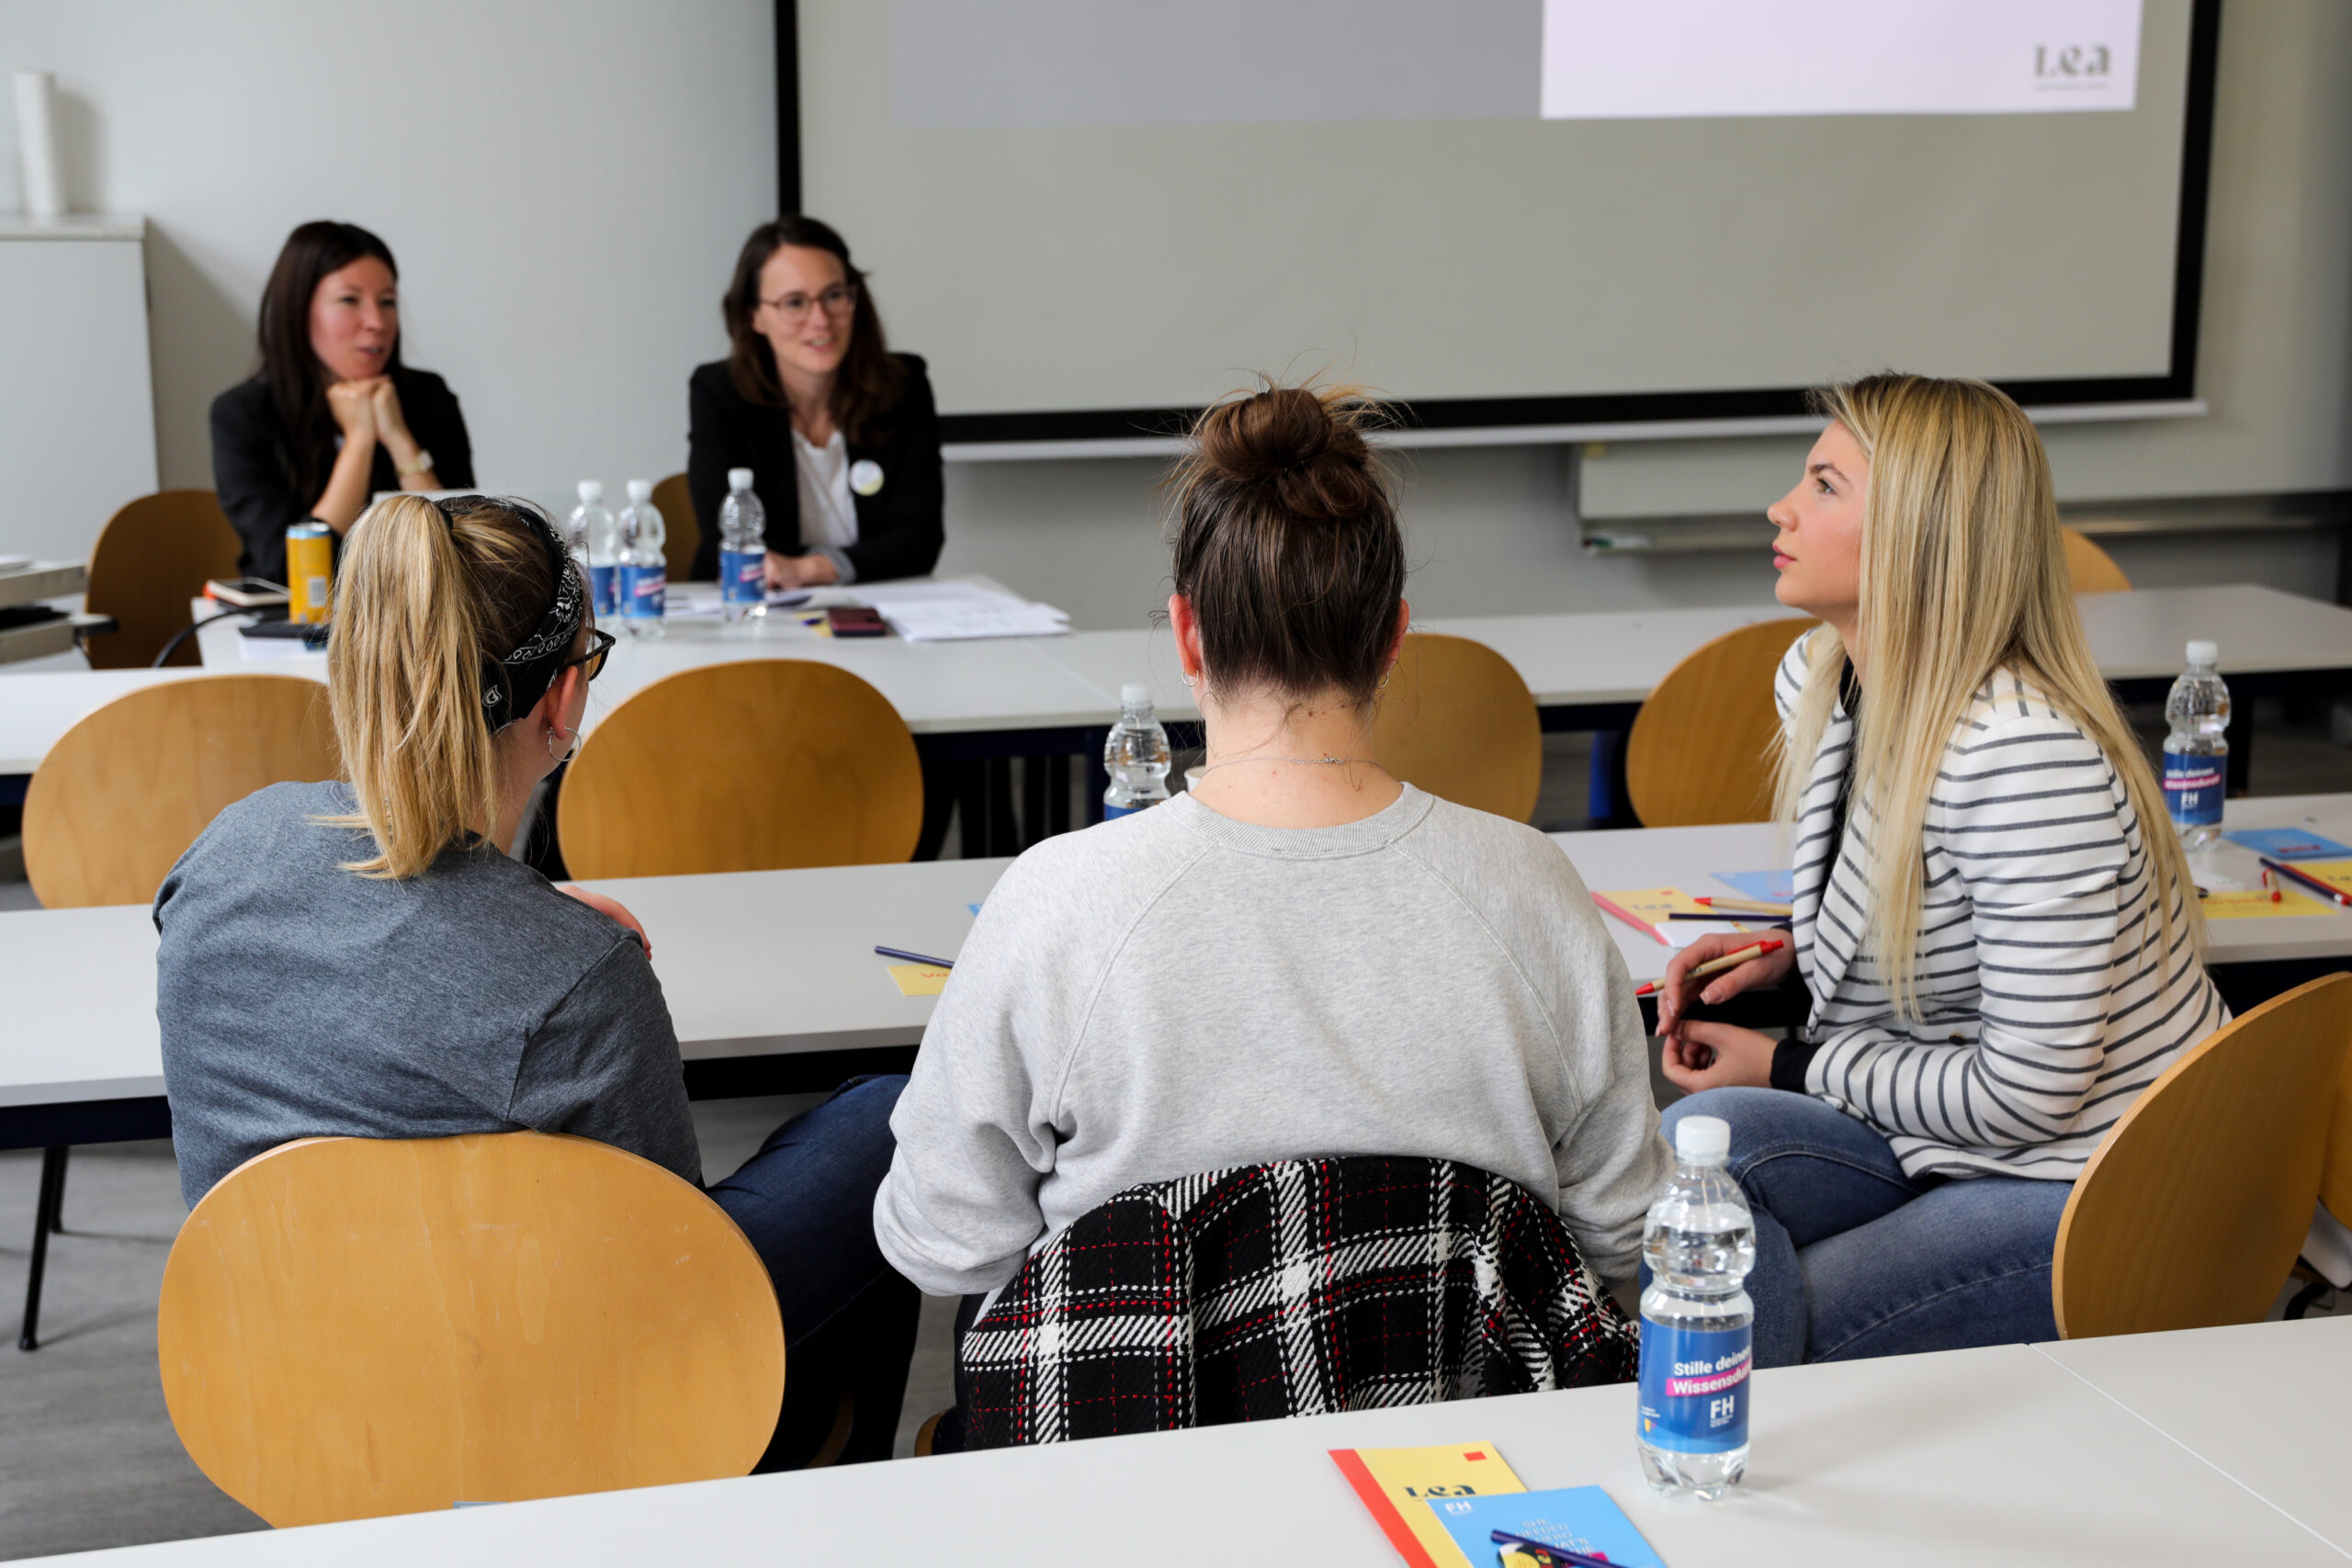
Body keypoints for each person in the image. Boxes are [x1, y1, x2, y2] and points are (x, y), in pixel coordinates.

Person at [874, 380, 1672, 1307]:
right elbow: (1626, 1232)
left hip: (1138, 1442)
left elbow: (944, 1246)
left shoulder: (1057, 901)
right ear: (1392, 640)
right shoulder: (1531, 887)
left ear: (1185, 635)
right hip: (1459, 1439)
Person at [153, 493, 915, 1466]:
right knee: (889, 1124)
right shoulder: (582, 982)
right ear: (560, 698)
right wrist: (538, 933)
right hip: (561, 1426)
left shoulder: (222, 854)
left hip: (287, 1410)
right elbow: (678, 1284)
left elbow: (383, 952)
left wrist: (525, 907)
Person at [1651, 374, 2223, 1368]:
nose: (1780, 507)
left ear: (1920, 531)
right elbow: (1929, 895)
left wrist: (1788, 1063)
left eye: (1824, 486)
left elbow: (2031, 1093)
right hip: (1958, 1140)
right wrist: (1795, 958)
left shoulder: (2020, 754)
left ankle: (1734, 1471)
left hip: (2096, 1176)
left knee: (1775, 1312)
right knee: (1694, 1151)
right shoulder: (1824, 675)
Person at [210, 221, 475, 584]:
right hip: (299, 628)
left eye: (387, 302)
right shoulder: (242, 414)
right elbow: (291, 572)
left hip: (415, 620)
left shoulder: (428, 396)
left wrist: (399, 439)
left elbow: (465, 547)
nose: (376, 322)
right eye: (350, 300)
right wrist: (359, 442)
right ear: (299, 310)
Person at [686, 217, 943, 587]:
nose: (821, 320)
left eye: (834, 295)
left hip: (881, 608)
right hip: (754, 607)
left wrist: (809, 569)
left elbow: (920, 539)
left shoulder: (903, 386)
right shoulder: (720, 392)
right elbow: (728, 540)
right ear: (754, 315)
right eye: (795, 303)